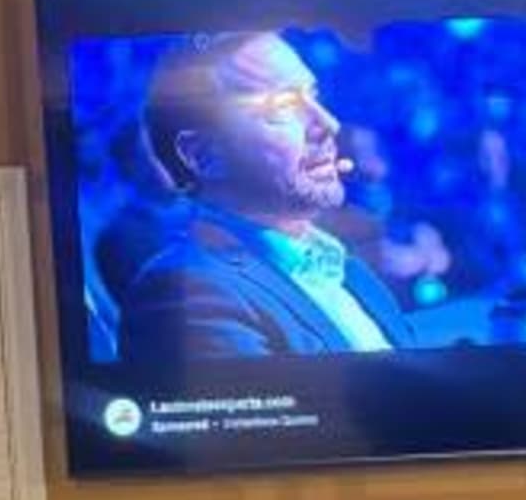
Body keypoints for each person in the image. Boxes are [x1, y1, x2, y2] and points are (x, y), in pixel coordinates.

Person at [114, 32, 414, 365]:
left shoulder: (341, 265)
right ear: (203, 155)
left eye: (313, 95)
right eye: (284, 105)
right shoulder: (183, 295)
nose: (328, 124)